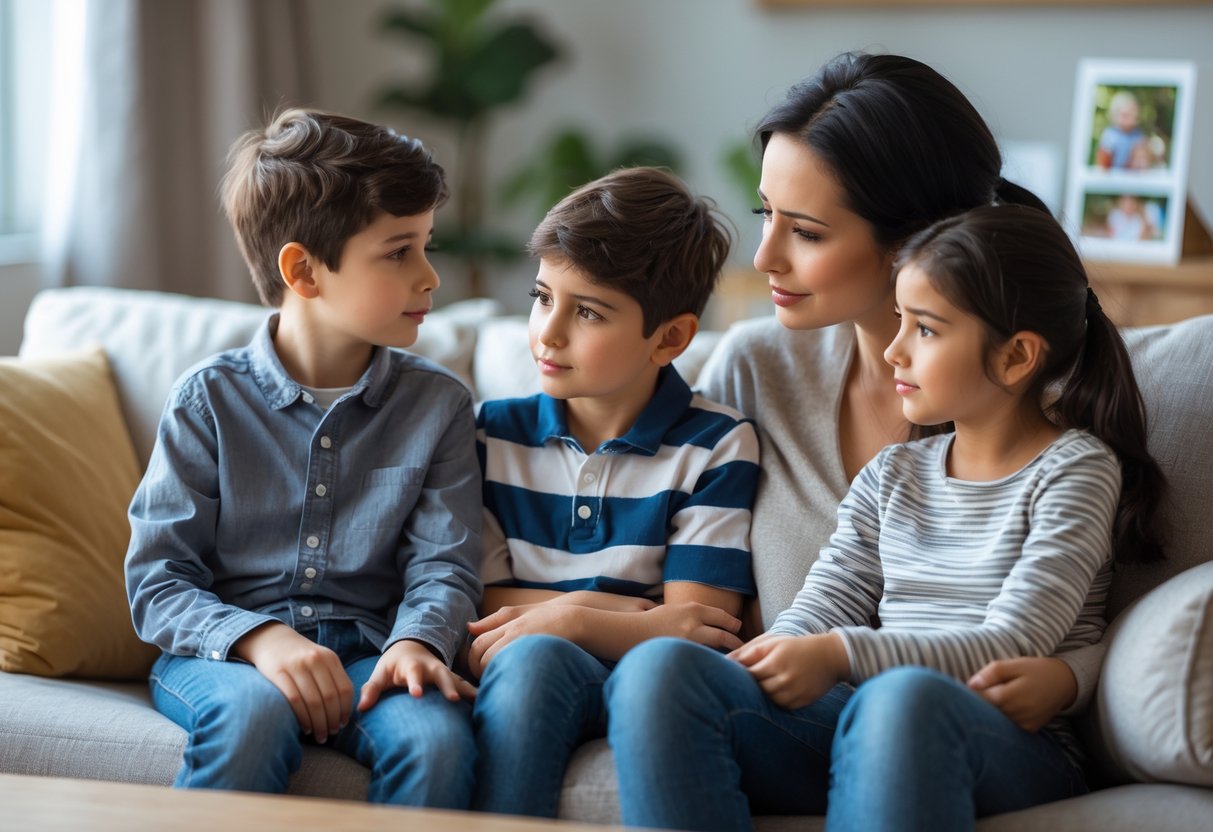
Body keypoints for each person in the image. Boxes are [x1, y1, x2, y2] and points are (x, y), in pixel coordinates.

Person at [598, 52, 1143, 829]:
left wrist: (1072, 676)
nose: (763, 259)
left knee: (901, 701)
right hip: (840, 715)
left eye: (808, 231)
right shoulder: (782, 388)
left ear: (915, 242)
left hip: (971, 731)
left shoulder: (1059, 437)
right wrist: (762, 661)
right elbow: (807, 600)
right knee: (662, 675)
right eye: (765, 216)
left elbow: (1046, 632)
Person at [124, 108, 483, 807]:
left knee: (436, 742)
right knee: (251, 720)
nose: (429, 277)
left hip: (370, 654)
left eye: (426, 247)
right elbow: (158, 580)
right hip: (227, 656)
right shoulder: (207, 402)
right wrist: (261, 639)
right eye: (398, 251)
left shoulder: (437, 405)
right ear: (304, 270)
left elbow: (445, 565)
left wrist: (418, 643)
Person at [468, 167, 759, 818]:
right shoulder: (491, 434)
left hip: (648, 689)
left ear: (670, 337)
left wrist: (567, 617)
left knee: (543, 649)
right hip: (531, 675)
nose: (547, 331)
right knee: (534, 660)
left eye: (587, 312)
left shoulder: (715, 445)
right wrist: (625, 611)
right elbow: (482, 609)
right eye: (543, 297)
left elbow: (694, 628)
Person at [1096, 90, 1149, 170]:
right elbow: (1103, 164)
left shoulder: (1137, 135)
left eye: (1132, 114)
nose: (1130, 118)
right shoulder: (1110, 135)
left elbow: (1141, 162)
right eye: (1125, 115)